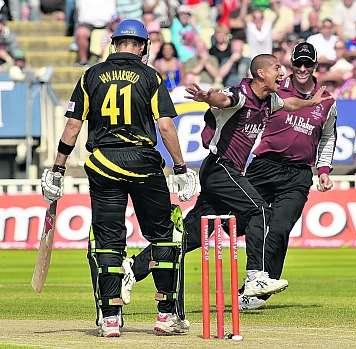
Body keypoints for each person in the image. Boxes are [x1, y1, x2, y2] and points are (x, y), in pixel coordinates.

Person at [127, 53, 332, 311]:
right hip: (220, 168)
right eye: (277, 68)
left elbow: (289, 104)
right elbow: (222, 98)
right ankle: (255, 276)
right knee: (259, 211)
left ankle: (132, 270)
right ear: (260, 74)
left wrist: (310, 101)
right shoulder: (242, 95)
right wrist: (205, 97)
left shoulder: (270, 100)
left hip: (225, 173)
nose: (283, 73)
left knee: (190, 236)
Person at [40, 19, 197, 337]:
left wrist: (57, 169)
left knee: (109, 242)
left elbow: (72, 127)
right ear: (141, 46)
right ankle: (165, 314)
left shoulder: (91, 75)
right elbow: (165, 127)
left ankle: (110, 318)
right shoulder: (151, 76)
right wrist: (181, 167)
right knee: (164, 238)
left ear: (115, 44)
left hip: (103, 164)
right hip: (143, 165)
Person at [242, 42, 337, 308]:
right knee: (241, 221)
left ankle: (257, 292)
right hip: (264, 166)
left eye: (309, 64)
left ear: (316, 66)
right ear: (291, 64)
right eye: (299, 63)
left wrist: (324, 170)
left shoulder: (328, 100)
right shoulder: (275, 89)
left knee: (280, 229)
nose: (303, 69)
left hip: (297, 174)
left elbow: (328, 137)